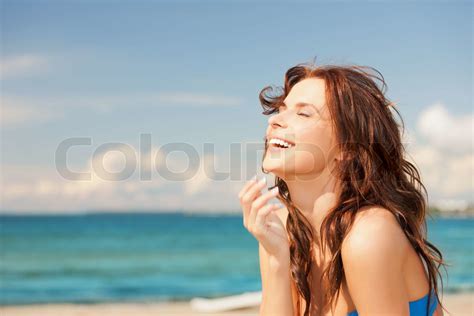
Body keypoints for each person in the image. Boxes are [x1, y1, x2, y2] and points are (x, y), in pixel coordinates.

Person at [238, 61, 447, 316]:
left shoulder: (368, 233)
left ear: (348, 151)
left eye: (303, 114)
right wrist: (276, 259)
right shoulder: (280, 230)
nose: (276, 121)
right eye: (281, 110)